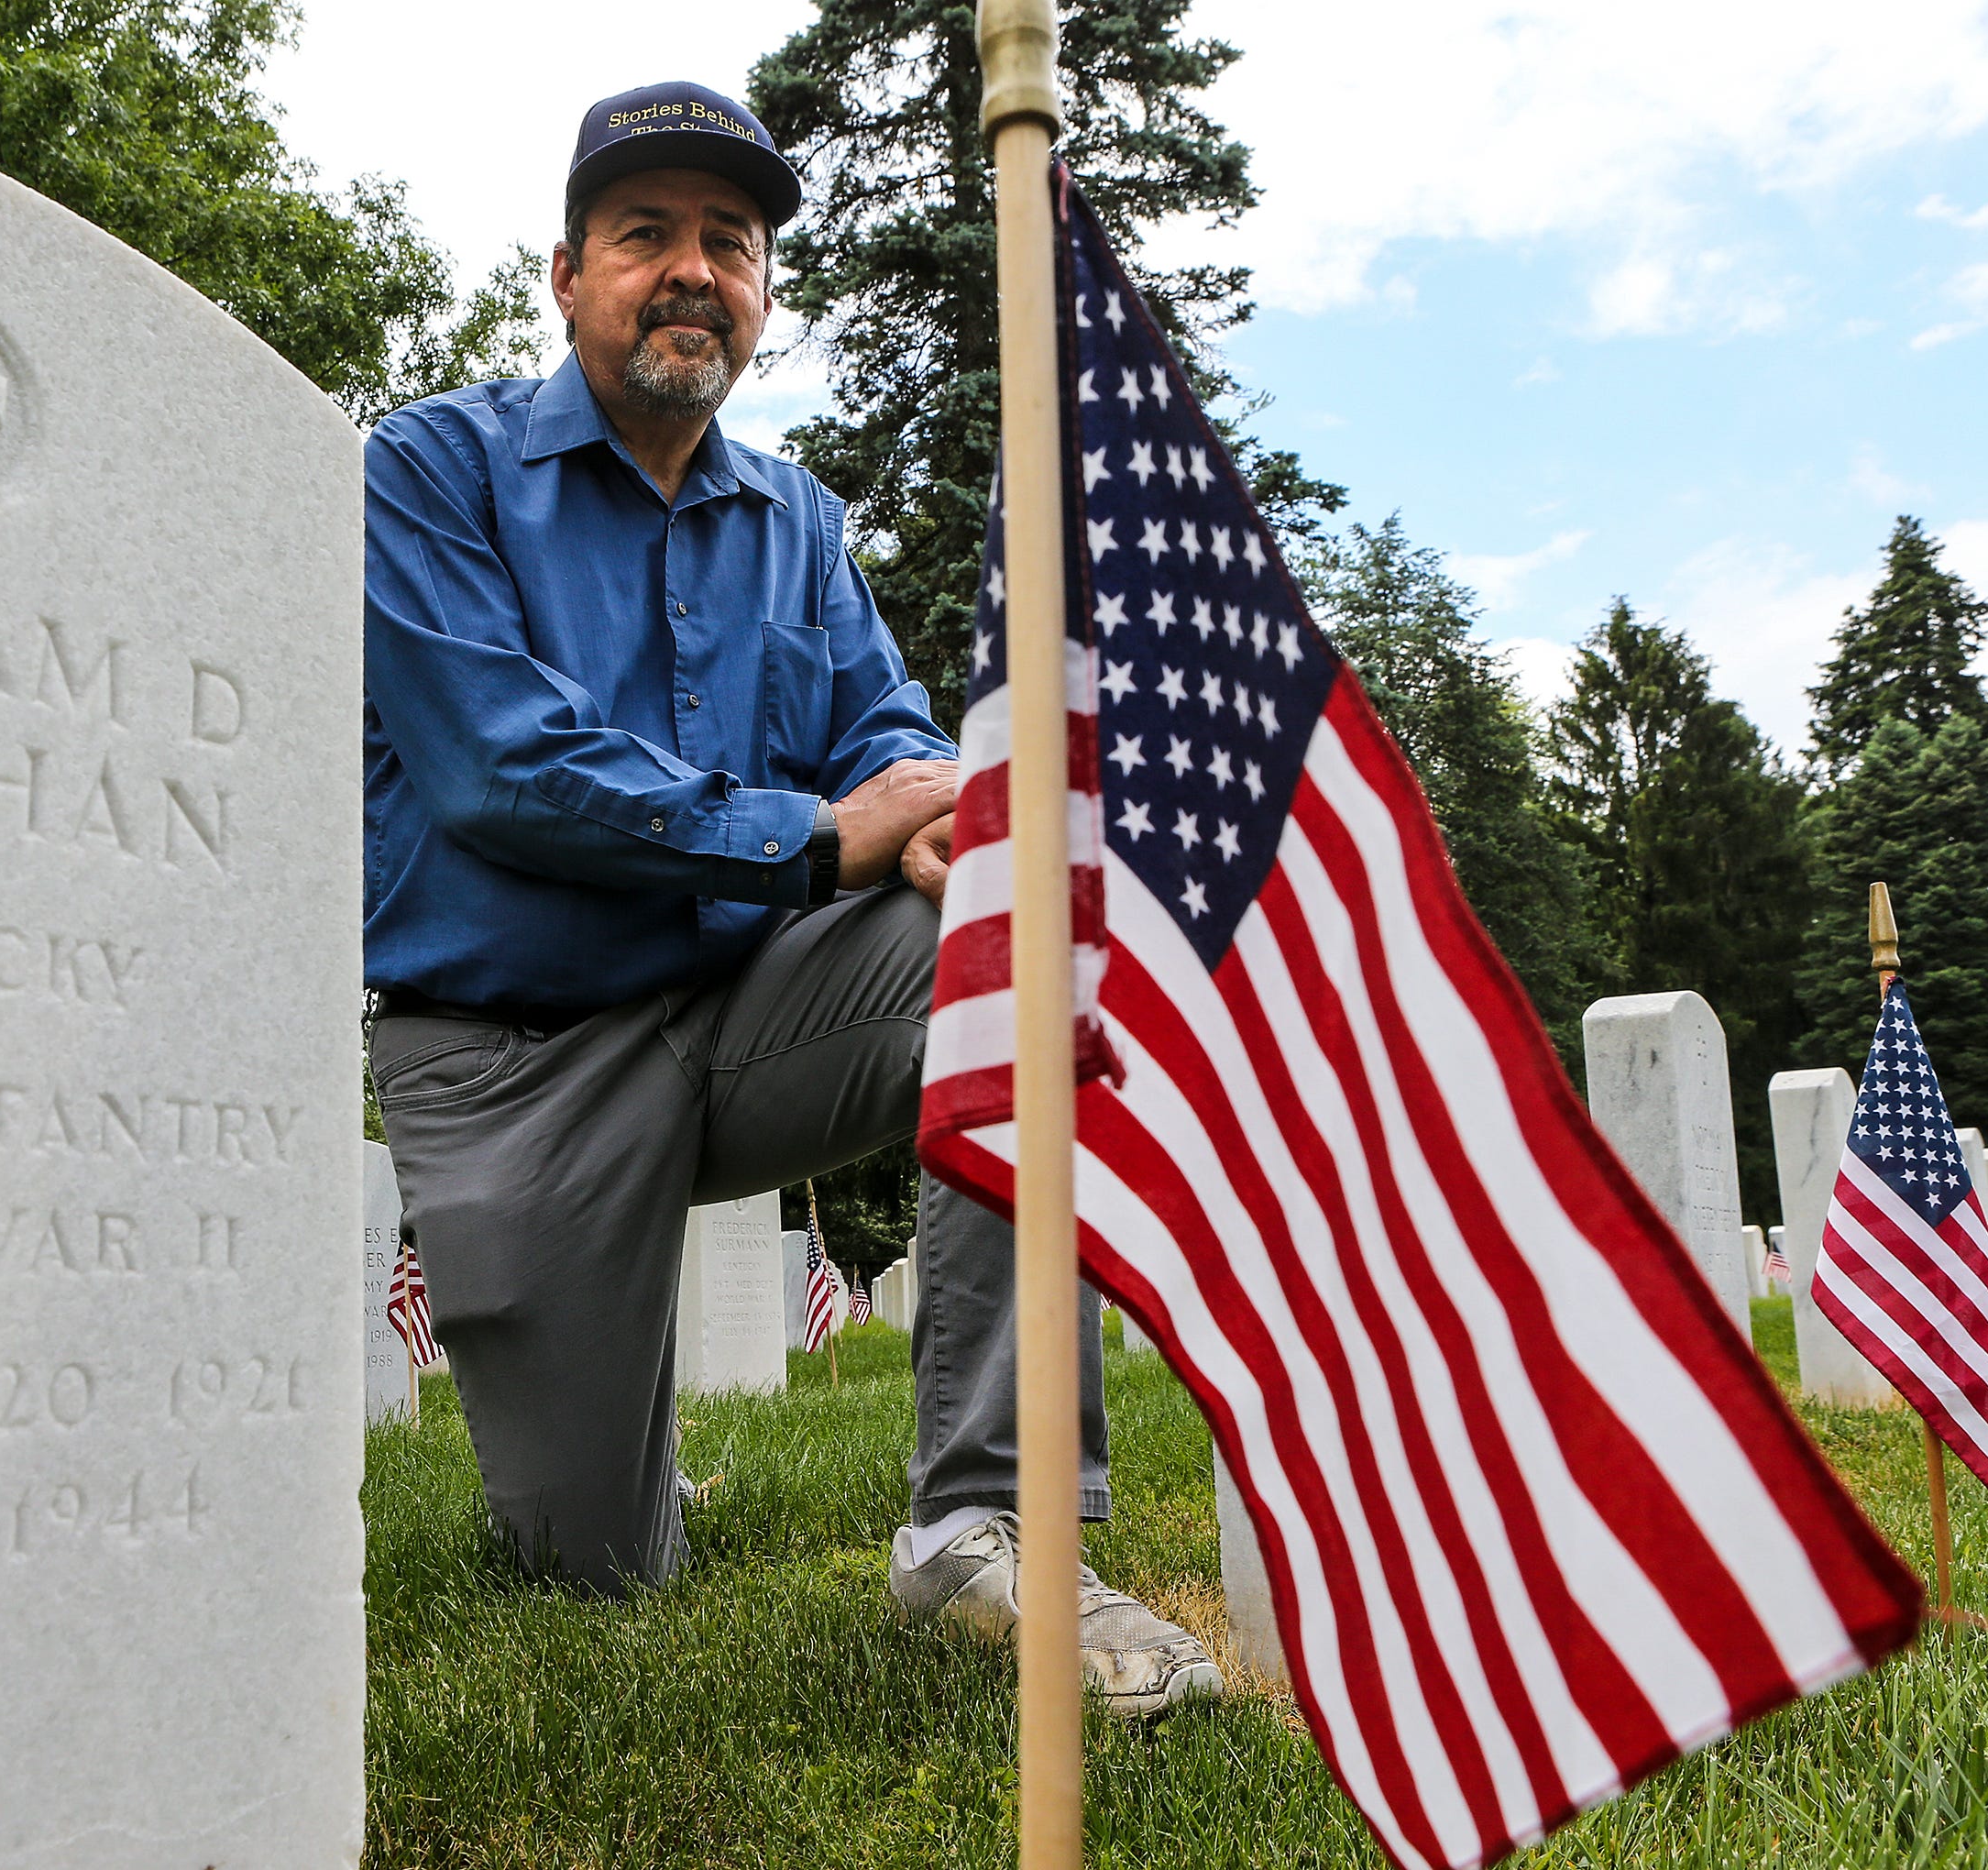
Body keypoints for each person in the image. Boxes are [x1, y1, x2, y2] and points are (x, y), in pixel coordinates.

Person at [362, 79, 1220, 1716]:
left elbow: (885, 732)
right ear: (563, 273)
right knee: (586, 1574)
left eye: (730, 242)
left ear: (763, 290)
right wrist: (825, 839)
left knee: (1014, 940)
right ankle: (612, 1473)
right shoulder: (429, 470)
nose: (691, 269)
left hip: (747, 1017)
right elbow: (498, 770)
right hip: (512, 1060)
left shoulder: (802, 519)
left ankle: (988, 1520)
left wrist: (924, 825)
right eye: (646, 235)